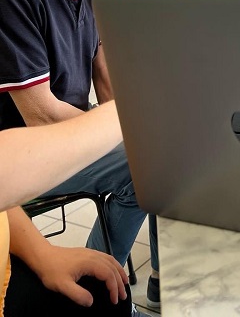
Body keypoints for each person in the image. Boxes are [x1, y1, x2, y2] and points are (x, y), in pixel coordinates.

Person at [0, 0, 160, 310]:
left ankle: (104, 276)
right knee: (147, 166)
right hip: (19, 158)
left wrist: (134, 121)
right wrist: (129, 134)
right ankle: (106, 288)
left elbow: (102, 66)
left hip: (65, 133)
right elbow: (42, 116)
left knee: (155, 156)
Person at [1, 101, 147, 315]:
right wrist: (132, 110)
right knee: (144, 168)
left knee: (106, 291)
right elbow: (42, 116)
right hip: (33, 148)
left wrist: (43, 254)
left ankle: (157, 276)